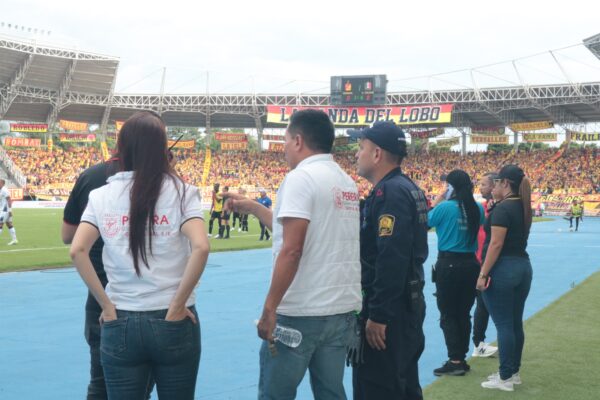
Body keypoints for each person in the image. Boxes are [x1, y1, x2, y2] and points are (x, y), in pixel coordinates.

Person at [69, 111, 210, 399]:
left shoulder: (102, 195)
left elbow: (77, 249)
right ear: (162, 150)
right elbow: (201, 246)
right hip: (172, 316)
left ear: (122, 149)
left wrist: (106, 305)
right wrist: (179, 303)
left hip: (121, 317)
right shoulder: (182, 192)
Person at [229, 109, 362, 399]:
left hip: (301, 312)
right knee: (331, 393)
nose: (284, 149)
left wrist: (269, 309)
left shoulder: (300, 178)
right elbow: (297, 230)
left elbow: (292, 249)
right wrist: (252, 207)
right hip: (339, 311)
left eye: (286, 141)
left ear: (299, 141)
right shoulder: (345, 182)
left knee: (276, 394)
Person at [351, 121, 429, 399]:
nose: (356, 154)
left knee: (378, 387)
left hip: (392, 311)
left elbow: (390, 257)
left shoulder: (390, 193)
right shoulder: (406, 187)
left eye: (361, 148)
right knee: (403, 386)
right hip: (407, 303)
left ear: (377, 154)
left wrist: (379, 315)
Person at [477, 164, 533, 392]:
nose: (493, 187)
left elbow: (496, 244)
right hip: (522, 266)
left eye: (496, 182)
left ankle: (505, 376)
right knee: (514, 322)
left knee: (503, 324)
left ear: (505, 183)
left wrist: (483, 273)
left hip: (504, 269)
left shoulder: (503, 209)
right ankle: (512, 372)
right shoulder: (522, 206)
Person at [428, 170, 484, 376]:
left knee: (448, 314)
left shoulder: (444, 207)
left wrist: (438, 200)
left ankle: (455, 359)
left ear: (451, 187)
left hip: (449, 264)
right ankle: (461, 356)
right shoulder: (476, 208)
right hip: (471, 264)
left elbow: (424, 223)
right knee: (463, 313)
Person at [472, 173, 499, 358]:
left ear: (494, 186)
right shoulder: (482, 208)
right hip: (479, 261)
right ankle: (478, 344)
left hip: (486, 260)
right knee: (482, 304)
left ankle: (479, 343)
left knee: (485, 304)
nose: (480, 187)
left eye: (484, 184)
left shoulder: (495, 208)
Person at [0, 179, 18, 245]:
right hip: (4, 210)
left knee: (0, 224)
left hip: (5, 210)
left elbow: (9, 200)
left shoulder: (5, 190)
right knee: (9, 224)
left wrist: (10, 210)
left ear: (2, 183)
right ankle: (14, 240)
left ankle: (14, 240)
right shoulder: (1, 190)